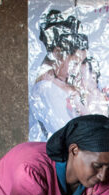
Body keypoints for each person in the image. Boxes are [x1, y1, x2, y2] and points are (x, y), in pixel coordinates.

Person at [28, 9, 90, 141]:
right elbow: (68, 135)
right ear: (57, 53)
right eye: (75, 63)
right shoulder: (48, 88)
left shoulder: (54, 85)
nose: (76, 71)